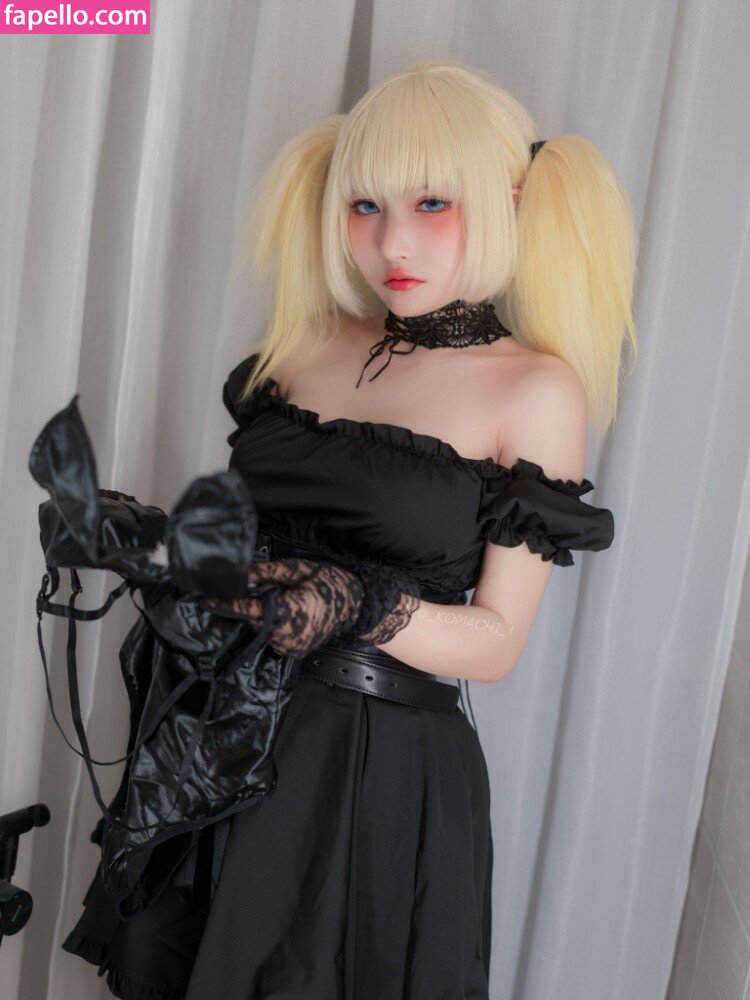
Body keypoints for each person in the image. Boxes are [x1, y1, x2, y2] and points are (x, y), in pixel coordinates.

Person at [61, 59, 636, 999]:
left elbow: (496, 643)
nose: (391, 241)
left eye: (432, 203)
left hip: (371, 770)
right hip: (221, 735)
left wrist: (363, 603)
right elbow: (252, 556)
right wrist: (151, 542)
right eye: (365, 205)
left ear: (510, 201)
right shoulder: (306, 342)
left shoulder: (535, 389)